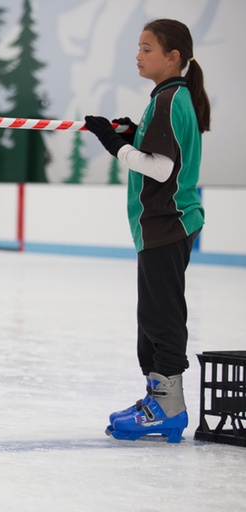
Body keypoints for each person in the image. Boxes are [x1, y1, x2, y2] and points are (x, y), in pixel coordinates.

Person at [85, 18, 208, 444]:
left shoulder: (171, 99)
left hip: (167, 224)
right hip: (161, 226)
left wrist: (115, 145)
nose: (138, 55)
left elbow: (162, 167)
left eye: (147, 48)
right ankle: (158, 398)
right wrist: (134, 134)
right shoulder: (169, 97)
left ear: (173, 57)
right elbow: (161, 152)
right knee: (151, 317)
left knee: (162, 316)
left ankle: (169, 407)